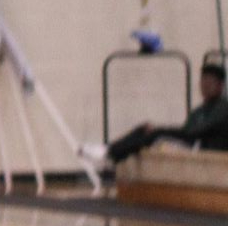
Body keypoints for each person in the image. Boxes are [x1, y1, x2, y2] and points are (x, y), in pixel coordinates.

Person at [96, 54, 228, 167]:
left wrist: (160, 129)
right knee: (144, 128)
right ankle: (109, 151)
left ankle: (111, 154)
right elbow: (186, 129)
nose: (205, 86)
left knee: (158, 135)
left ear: (220, 86)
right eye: (203, 81)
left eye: (210, 82)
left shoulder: (222, 108)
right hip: (191, 141)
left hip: (203, 148)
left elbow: (193, 132)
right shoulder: (200, 110)